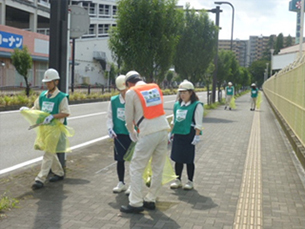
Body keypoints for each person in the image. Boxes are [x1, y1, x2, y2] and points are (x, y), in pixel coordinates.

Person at [120, 71, 170, 213]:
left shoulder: (131, 92)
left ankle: (135, 203)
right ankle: (151, 198)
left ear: (129, 83)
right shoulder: (154, 87)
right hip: (163, 129)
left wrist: (132, 132)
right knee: (157, 167)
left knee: (136, 167)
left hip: (148, 132)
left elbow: (128, 118)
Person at [20, 68, 70, 190]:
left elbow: (66, 113)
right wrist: (26, 111)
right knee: (50, 152)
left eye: (49, 82)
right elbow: (35, 108)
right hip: (44, 128)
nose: (47, 84)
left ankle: (40, 179)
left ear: (56, 82)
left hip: (55, 129)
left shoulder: (62, 97)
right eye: (46, 82)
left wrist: (53, 116)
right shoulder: (42, 96)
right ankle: (59, 173)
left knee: (48, 152)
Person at [169, 80, 203, 190]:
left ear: (191, 93)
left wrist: (197, 136)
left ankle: (190, 181)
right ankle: (177, 179)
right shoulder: (177, 105)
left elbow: (198, 123)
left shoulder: (196, 105)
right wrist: (170, 133)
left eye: (185, 92)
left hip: (189, 135)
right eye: (181, 93)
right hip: (178, 134)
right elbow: (174, 121)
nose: (182, 95)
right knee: (177, 158)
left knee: (189, 159)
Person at [106, 75, 132, 194]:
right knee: (120, 160)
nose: (124, 93)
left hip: (132, 134)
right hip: (119, 134)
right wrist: (110, 129)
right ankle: (121, 182)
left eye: (125, 90)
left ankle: (133, 184)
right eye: (121, 90)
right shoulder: (113, 101)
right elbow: (110, 116)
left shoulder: (134, 99)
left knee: (133, 160)